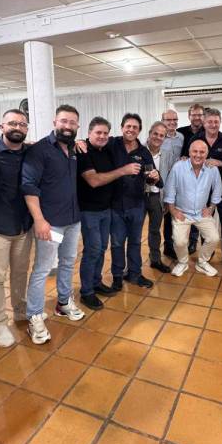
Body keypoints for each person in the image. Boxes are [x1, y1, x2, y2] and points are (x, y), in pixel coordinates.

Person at [22, 104, 85, 345]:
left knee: (68, 263)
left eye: (72, 122)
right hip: (50, 224)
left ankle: (63, 302)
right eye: (63, 121)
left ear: (77, 126)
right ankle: (34, 315)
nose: (67, 126)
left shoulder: (74, 150)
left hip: (73, 220)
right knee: (42, 269)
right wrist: (39, 220)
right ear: (54, 122)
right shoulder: (39, 150)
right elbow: (29, 186)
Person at [77, 116, 142, 310]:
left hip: (106, 209)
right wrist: (123, 171)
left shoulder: (107, 148)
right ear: (89, 133)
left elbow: (127, 141)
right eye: (98, 132)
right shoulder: (83, 151)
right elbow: (94, 180)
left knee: (101, 248)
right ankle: (86, 292)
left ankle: (96, 282)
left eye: (105, 133)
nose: (102, 136)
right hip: (89, 210)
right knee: (92, 249)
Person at [0, 109, 32, 348]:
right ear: (1, 127)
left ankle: (20, 310)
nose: (17, 128)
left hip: (23, 226)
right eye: (12, 123)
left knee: (20, 272)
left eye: (22, 124)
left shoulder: (30, 153)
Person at [109, 113, 161, 290]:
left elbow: (153, 179)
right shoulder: (111, 144)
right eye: (128, 126)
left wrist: (154, 176)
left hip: (137, 204)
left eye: (135, 127)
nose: (131, 130)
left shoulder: (143, 152)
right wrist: (81, 142)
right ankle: (117, 276)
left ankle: (134, 274)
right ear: (122, 127)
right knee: (117, 243)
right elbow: (94, 142)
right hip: (115, 204)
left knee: (135, 242)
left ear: (139, 131)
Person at [189, 107, 222, 273]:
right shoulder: (195, 139)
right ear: (204, 123)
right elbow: (187, 160)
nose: (213, 124)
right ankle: (207, 254)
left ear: (220, 122)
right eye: (210, 121)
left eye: (216, 122)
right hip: (202, 188)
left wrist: (221, 163)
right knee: (205, 222)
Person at [164, 140, 222, 277]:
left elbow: (218, 189)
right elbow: (170, 190)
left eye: (202, 152)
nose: (198, 155)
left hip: (202, 212)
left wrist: (211, 208)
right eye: (195, 151)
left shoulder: (212, 169)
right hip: (182, 212)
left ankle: (202, 262)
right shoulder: (178, 167)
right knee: (180, 241)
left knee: (214, 238)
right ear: (189, 153)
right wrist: (173, 210)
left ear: (206, 154)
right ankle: (183, 262)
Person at [145, 121, 175, 274]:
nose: (158, 137)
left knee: (155, 230)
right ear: (150, 133)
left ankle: (155, 259)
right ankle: (130, 266)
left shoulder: (167, 154)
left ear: (165, 138)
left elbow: (170, 178)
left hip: (157, 196)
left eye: (161, 135)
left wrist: (168, 200)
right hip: (138, 197)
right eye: (155, 134)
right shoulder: (139, 150)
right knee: (133, 232)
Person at [178, 103, 206, 255]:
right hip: (186, 178)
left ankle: (204, 244)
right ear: (189, 116)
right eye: (194, 115)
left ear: (204, 116)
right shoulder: (181, 132)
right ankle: (191, 241)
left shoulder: (208, 132)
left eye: (199, 115)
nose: (197, 117)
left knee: (202, 212)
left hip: (203, 178)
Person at [160, 109, 184, 259]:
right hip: (162, 183)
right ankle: (166, 247)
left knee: (174, 216)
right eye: (168, 120)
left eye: (175, 119)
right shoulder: (158, 137)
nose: (172, 122)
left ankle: (175, 245)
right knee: (164, 216)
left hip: (178, 185)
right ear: (162, 121)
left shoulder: (181, 137)